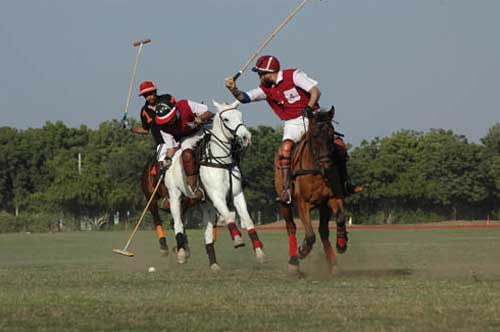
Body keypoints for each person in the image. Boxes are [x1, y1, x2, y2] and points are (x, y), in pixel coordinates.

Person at [225, 55, 361, 204]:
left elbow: (316, 92)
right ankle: (286, 190)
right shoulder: (265, 89)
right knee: (284, 150)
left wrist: (308, 107)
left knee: (339, 145)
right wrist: (233, 89)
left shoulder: (294, 76)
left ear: (269, 72)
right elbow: (244, 98)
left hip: (313, 118)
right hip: (292, 124)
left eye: (260, 73)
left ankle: (347, 183)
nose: (259, 77)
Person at [154, 96, 213, 200]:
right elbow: (171, 148)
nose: (169, 123)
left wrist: (201, 118)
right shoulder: (164, 128)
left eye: (170, 119)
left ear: (175, 111)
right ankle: (195, 188)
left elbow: (208, 112)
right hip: (188, 138)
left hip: (204, 128)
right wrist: (167, 159)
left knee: (226, 136)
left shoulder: (185, 105)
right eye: (166, 121)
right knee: (187, 155)